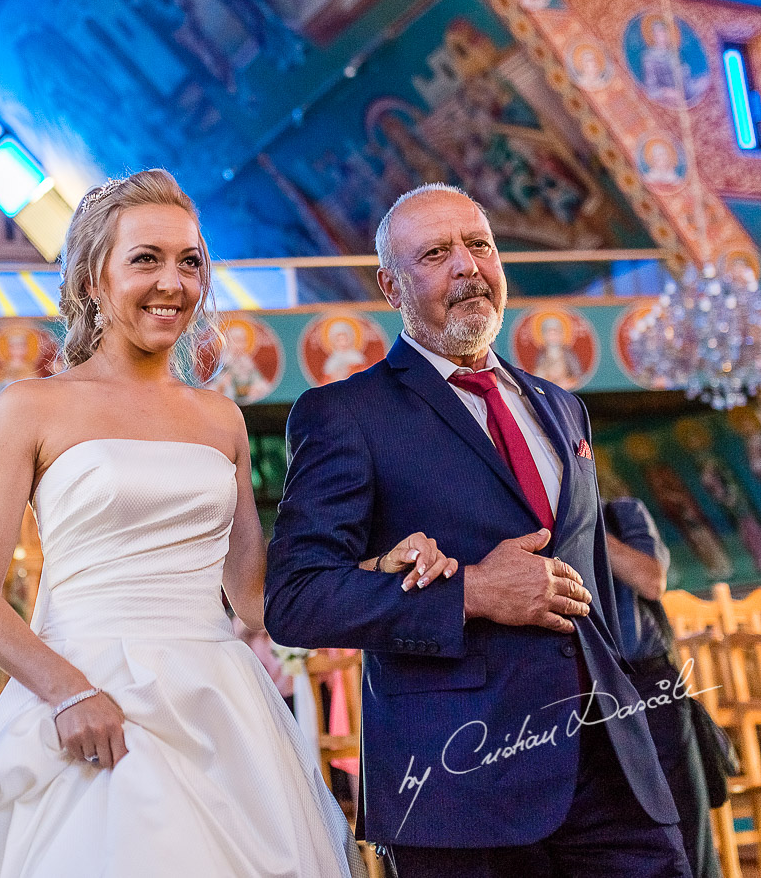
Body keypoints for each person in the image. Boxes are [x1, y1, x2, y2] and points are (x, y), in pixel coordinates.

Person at [0, 170, 450, 877]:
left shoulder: (219, 418)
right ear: (92, 278)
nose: (173, 282)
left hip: (217, 707)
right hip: (86, 698)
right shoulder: (30, 408)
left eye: (190, 261)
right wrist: (69, 692)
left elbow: (258, 599)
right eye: (146, 259)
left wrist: (375, 570)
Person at [265, 183, 686, 877]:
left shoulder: (562, 407)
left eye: (479, 244)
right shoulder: (345, 414)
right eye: (435, 252)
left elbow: (593, 584)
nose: (467, 265)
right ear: (391, 286)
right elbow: (296, 599)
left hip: (612, 769)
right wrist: (472, 593)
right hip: (460, 782)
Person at [604, 496, 721, 878]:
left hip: (650, 685)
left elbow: (651, 580)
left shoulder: (620, 513)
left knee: (687, 831)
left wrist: (582, 524)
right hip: (587, 697)